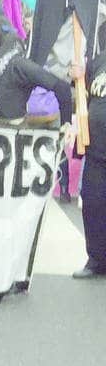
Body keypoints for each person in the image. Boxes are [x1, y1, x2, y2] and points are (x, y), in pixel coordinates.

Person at [75, 22, 106, 278]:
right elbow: (84, 95)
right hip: (96, 151)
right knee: (93, 204)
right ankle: (96, 258)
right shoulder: (98, 62)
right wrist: (77, 76)